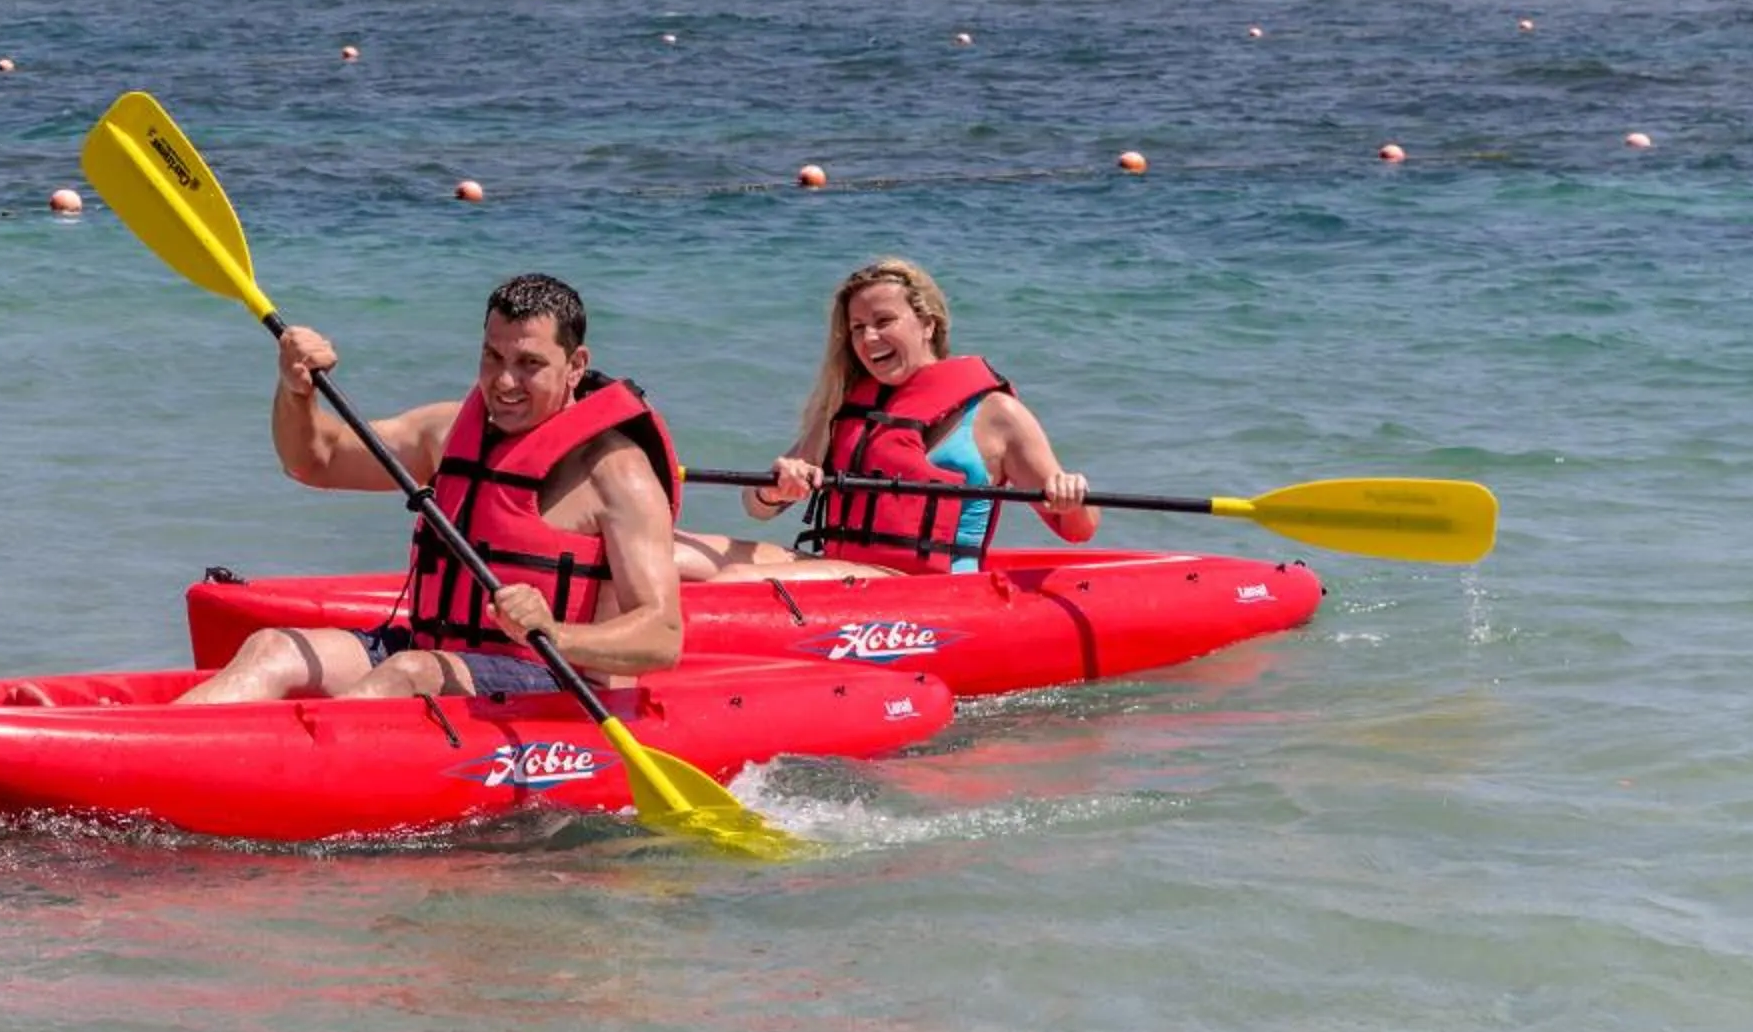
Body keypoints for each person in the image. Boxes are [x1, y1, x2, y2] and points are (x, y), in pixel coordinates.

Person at [176, 272, 686, 704]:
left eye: (529, 364)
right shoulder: (446, 433)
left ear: (575, 366)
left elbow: (662, 636)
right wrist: (296, 392)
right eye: (492, 357)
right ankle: (161, 757)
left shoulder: (616, 473)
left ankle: (301, 770)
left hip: (552, 685)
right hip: (431, 654)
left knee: (409, 673)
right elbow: (314, 460)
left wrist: (555, 633)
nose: (504, 382)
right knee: (273, 647)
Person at [673, 256, 1096, 581]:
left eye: (883, 321)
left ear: (927, 324)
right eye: (857, 327)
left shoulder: (996, 414)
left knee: (736, 579)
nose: (868, 338)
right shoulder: (844, 407)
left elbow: (1078, 529)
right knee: (665, 554)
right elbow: (756, 509)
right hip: (842, 570)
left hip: (922, 589)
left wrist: (1070, 497)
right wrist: (776, 489)